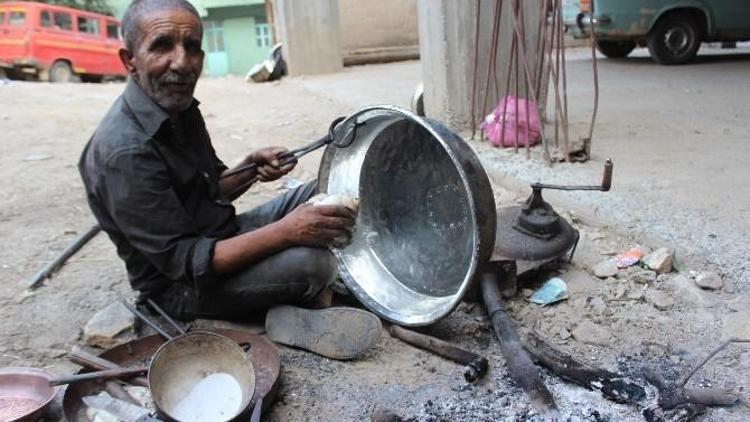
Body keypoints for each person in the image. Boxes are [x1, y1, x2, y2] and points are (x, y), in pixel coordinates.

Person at [78, 0, 356, 322]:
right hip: (181, 288)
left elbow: (210, 190)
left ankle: (306, 293)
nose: (182, 63)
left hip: (220, 236)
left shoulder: (178, 108)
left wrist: (250, 168)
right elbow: (187, 262)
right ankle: (293, 308)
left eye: (192, 47)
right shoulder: (123, 153)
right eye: (162, 46)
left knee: (325, 188)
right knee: (313, 263)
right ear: (130, 60)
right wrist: (286, 233)